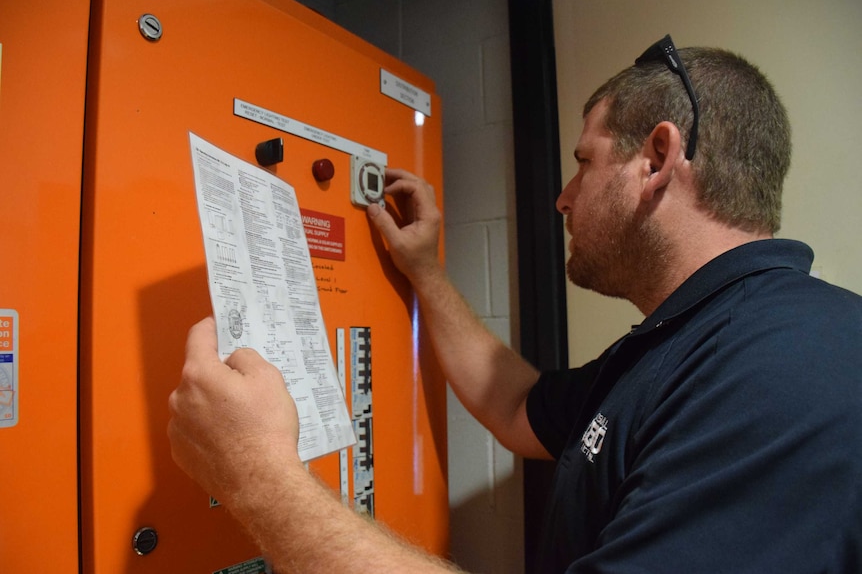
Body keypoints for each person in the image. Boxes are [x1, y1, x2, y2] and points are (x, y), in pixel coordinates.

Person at [168, 36, 862, 573]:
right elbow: (513, 406)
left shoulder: (783, 371)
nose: (562, 196)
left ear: (655, 158)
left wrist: (259, 477)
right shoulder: (688, 341)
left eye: (583, 162)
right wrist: (424, 271)